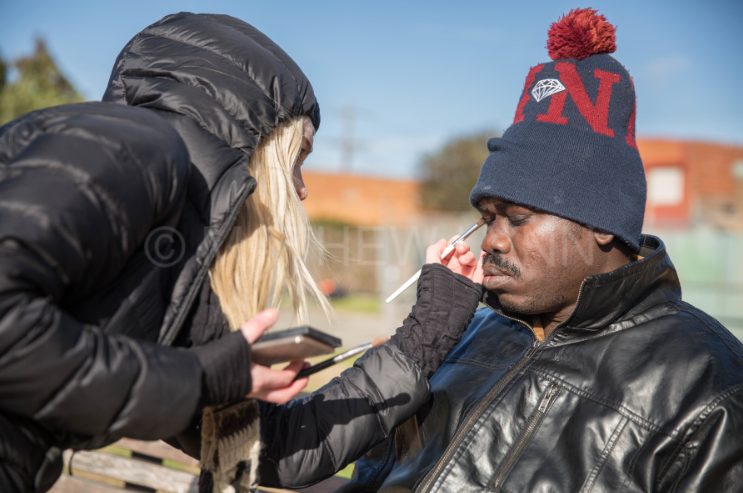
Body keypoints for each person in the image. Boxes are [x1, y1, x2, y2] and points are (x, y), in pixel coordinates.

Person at [0, 12, 479, 493]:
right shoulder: (132, 146)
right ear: (256, 140)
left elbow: (276, 448)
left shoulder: (192, 292)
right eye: (300, 156)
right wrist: (200, 378)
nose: (303, 189)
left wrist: (429, 328)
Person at [339, 9, 743, 492]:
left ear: (601, 224)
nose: (492, 240)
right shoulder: (465, 335)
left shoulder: (710, 384)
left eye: (519, 217)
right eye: (487, 218)